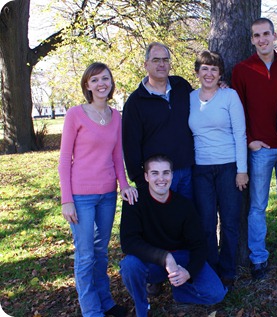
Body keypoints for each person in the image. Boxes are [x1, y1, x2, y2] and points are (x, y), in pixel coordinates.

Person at [58, 62, 138, 317]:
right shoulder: (75, 114)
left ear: (111, 83)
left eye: (105, 78)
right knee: (85, 256)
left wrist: (124, 185)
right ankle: (92, 311)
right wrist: (66, 200)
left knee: (101, 253)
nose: (101, 83)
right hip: (80, 196)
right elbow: (64, 159)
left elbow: (117, 157)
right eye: (95, 80)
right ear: (87, 86)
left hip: (107, 195)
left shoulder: (116, 117)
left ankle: (106, 303)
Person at [231, 17, 277, 279]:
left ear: (274, 35)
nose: (262, 39)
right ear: (251, 39)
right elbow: (237, 111)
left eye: (266, 34)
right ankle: (258, 257)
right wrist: (249, 139)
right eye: (257, 35)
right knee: (258, 205)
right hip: (260, 148)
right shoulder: (242, 69)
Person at [119, 155, 227, 317]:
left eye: (166, 173)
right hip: (151, 261)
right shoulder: (134, 200)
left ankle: (179, 289)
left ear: (172, 175)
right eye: (155, 173)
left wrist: (188, 272)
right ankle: (142, 307)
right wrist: (164, 257)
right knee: (129, 265)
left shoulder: (184, 205)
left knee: (216, 294)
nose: (161, 179)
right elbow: (128, 243)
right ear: (146, 177)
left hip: (181, 260)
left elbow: (199, 244)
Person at [188, 50, 248, 286]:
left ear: (220, 72)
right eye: (204, 68)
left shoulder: (229, 96)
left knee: (230, 222)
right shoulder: (189, 97)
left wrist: (241, 170)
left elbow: (240, 133)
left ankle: (228, 271)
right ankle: (210, 270)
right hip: (201, 169)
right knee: (206, 223)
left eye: (214, 69)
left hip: (228, 167)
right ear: (197, 72)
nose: (209, 73)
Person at [122, 42, 194, 199]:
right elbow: (130, 146)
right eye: (156, 60)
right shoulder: (135, 102)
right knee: (163, 222)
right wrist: (140, 180)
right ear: (146, 64)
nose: (162, 64)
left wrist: (218, 87)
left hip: (189, 172)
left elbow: (203, 104)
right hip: (159, 178)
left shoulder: (182, 86)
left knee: (189, 220)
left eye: (165, 60)